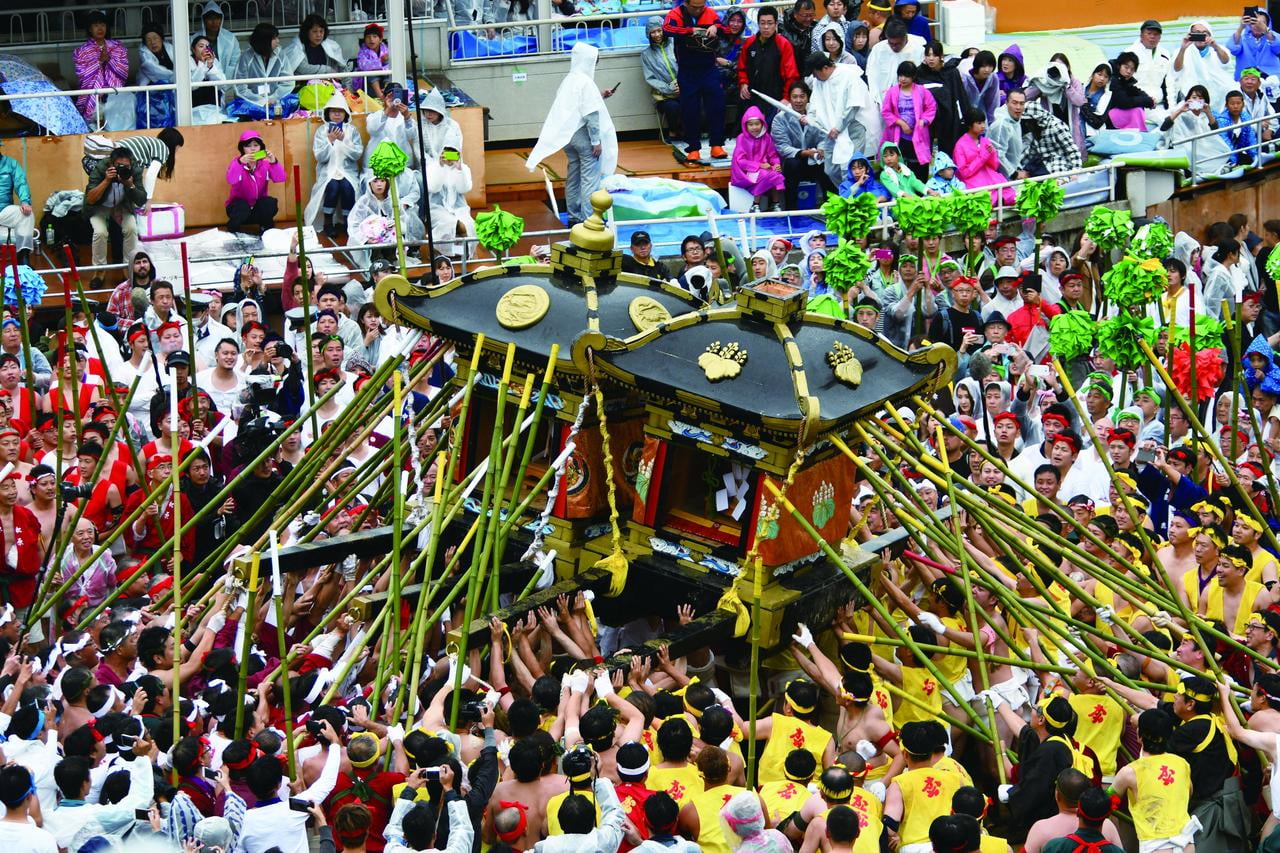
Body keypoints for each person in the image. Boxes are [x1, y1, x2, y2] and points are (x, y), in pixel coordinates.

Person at [527, 43, 617, 227]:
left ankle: (574, 216)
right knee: (589, 179)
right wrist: (596, 141)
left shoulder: (569, 79)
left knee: (574, 177)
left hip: (569, 136)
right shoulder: (586, 82)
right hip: (584, 137)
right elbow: (591, 115)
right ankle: (589, 220)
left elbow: (574, 104)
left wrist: (600, 95)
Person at [664, 0, 728, 164]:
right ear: (686, 4)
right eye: (695, 7)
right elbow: (667, 29)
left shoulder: (710, 13)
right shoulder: (676, 14)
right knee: (689, 110)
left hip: (708, 68)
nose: (699, 10)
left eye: (702, 6)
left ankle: (717, 145)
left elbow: (726, 28)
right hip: (687, 71)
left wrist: (716, 27)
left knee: (717, 106)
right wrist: (689, 30)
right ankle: (693, 148)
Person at [806, 53, 880, 187]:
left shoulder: (849, 76)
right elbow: (814, 103)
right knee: (830, 170)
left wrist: (839, 127)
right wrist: (810, 117)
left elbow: (854, 105)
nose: (814, 77)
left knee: (851, 168)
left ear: (825, 68)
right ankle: (846, 194)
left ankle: (854, 200)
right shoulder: (818, 81)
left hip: (853, 126)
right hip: (829, 129)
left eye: (815, 73)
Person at [304, 93, 365, 238]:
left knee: (347, 186)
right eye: (333, 111)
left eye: (340, 111)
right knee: (332, 186)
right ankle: (327, 222)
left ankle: (347, 222)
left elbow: (357, 154)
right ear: (328, 113)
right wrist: (330, 141)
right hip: (327, 171)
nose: (337, 114)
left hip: (347, 171)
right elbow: (320, 157)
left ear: (345, 113)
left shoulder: (352, 131)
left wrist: (344, 141)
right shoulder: (321, 131)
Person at [84, 147, 148, 283]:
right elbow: (90, 198)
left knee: (131, 229)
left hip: (122, 205)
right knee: (100, 232)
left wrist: (130, 185)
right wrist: (106, 180)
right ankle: (99, 271)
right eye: (119, 166)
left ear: (131, 164)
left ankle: (128, 268)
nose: (123, 169)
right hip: (99, 206)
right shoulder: (101, 169)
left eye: (126, 166)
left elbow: (142, 200)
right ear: (112, 164)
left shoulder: (135, 171)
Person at [771, 81, 835, 207]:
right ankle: (791, 208)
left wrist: (821, 149)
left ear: (807, 97)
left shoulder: (817, 114)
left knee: (827, 162)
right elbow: (782, 147)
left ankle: (832, 206)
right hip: (795, 161)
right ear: (790, 98)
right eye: (795, 97)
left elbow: (823, 137)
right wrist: (803, 153)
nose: (798, 100)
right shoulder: (780, 118)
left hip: (814, 158)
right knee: (791, 164)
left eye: (802, 96)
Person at [736, 5, 798, 120]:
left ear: (775, 24)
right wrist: (743, 82)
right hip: (752, 96)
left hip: (776, 98)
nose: (765, 27)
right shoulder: (749, 43)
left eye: (769, 23)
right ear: (758, 23)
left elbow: (791, 75)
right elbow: (741, 67)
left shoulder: (784, 44)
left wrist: (786, 98)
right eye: (762, 23)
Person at [880, 60, 936, 181]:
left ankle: (920, 193)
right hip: (899, 136)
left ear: (913, 76)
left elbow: (931, 107)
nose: (902, 79)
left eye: (906, 76)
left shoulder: (922, 91)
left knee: (919, 166)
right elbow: (886, 111)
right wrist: (900, 123)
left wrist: (923, 121)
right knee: (898, 165)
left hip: (918, 135)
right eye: (900, 75)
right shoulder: (892, 92)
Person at [72, 10, 128, 125]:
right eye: (96, 25)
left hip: (114, 93)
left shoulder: (117, 47)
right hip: (93, 94)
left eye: (102, 25)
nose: (100, 28)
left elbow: (124, 72)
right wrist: (99, 62)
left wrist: (110, 60)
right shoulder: (82, 51)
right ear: (89, 29)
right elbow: (81, 74)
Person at [1026, 55, 1087, 159]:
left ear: (1067, 67)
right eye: (1055, 66)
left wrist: (1067, 86)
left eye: (1061, 67)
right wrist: (1039, 82)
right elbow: (1026, 97)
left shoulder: (1073, 82)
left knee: (1074, 161)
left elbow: (1080, 102)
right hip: (1051, 131)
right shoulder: (1045, 82)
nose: (1058, 69)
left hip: (1071, 131)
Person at [226, 130, 286, 235]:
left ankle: (266, 230)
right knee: (241, 206)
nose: (253, 148)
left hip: (257, 210)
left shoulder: (265, 164)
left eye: (256, 145)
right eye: (248, 146)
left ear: (261, 148)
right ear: (242, 148)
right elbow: (231, 179)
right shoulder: (237, 163)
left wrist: (274, 162)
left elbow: (280, 178)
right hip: (238, 210)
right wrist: (240, 163)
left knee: (269, 203)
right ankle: (233, 230)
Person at [917, 41, 971, 156]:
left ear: (941, 56)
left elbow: (959, 96)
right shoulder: (919, 72)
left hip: (947, 120)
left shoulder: (951, 72)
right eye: (928, 55)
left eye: (934, 55)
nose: (931, 59)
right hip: (927, 122)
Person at [953, 109, 1016, 204]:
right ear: (970, 125)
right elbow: (964, 173)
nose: (983, 126)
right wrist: (983, 156)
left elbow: (994, 166)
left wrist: (992, 154)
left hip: (992, 179)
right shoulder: (960, 145)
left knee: (1011, 196)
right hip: (974, 183)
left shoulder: (985, 141)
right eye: (979, 123)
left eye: (983, 122)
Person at [233, 24, 294, 119]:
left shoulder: (280, 54)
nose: (278, 41)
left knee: (293, 101)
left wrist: (274, 98)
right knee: (241, 107)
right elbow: (240, 87)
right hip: (252, 102)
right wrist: (261, 101)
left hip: (275, 101)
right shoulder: (246, 57)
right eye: (274, 38)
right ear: (264, 41)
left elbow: (288, 82)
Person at [730, 106, 785, 211]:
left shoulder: (766, 137)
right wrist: (759, 165)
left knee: (776, 174)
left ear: (762, 123)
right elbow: (740, 161)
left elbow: (772, 155)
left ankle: (776, 204)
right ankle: (755, 204)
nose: (754, 127)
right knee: (763, 174)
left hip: (764, 167)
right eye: (751, 124)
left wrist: (776, 164)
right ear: (745, 125)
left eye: (757, 124)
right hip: (745, 171)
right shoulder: (742, 138)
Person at [426, 147, 476, 257]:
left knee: (468, 224)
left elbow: (464, 189)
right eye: (447, 153)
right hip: (437, 208)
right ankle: (444, 254)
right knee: (450, 223)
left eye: (453, 153)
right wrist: (440, 167)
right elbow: (433, 188)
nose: (449, 157)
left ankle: (462, 253)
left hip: (459, 208)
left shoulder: (464, 168)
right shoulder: (431, 168)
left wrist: (459, 169)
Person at [1173, 21, 1234, 108]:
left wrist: (1215, 46)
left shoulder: (1218, 49)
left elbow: (1226, 62)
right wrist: (1183, 49)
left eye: (1204, 33)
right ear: (1190, 35)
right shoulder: (1182, 51)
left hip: (1218, 97)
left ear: (1210, 35)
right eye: (1197, 33)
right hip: (1192, 97)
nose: (1200, 36)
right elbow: (1176, 69)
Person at [865, 18, 925, 105]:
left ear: (905, 37)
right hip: (882, 100)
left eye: (897, 44)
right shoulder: (878, 49)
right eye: (891, 43)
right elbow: (871, 74)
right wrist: (875, 97)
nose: (893, 47)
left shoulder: (918, 50)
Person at [643, 17, 683, 138]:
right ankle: (673, 132)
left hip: (684, 87)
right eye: (653, 32)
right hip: (664, 96)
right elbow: (650, 78)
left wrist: (682, 83)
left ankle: (692, 130)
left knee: (695, 101)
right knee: (673, 107)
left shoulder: (676, 43)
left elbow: (686, 64)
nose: (657, 35)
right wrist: (669, 88)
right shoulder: (646, 54)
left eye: (659, 30)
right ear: (648, 34)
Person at [1126, 19, 1175, 110]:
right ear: (1141, 35)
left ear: (1160, 37)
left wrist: (1171, 108)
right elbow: (1122, 82)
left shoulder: (1165, 55)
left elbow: (1169, 83)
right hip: (1136, 105)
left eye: (1156, 34)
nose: (1152, 37)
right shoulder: (1129, 53)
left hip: (1158, 106)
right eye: (1149, 33)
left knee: (1174, 122)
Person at [136, 24, 176, 129]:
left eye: (155, 38)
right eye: (148, 40)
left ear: (161, 38)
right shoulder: (144, 54)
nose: (153, 42)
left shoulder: (170, 48)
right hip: (152, 94)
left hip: (172, 90)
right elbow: (156, 72)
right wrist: (176, 77)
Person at [0, 141, 34, 267]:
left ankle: (23, 256)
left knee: (26, 215)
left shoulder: (10, 163)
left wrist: (25, 201)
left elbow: (21, 183)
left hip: (3, 210)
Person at [282, 14, 346, 78]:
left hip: (327, 85)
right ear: (306, 32)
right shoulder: (296, 48)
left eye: (321, 31)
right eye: (314, 31)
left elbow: (342, 67)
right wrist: (327, 70)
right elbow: (302, 69)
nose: (319, 35)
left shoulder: (331, 46)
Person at [1107, 52, 1155, 130]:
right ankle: (1136, 133)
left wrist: (1149, 100)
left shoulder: (1124, 79)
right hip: (1107, 117)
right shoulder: (1113, 79)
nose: (1129, 71)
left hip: (1114, 114)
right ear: (1119, 66)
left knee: (1139, 106)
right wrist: (1147, 101)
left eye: (1132, 69)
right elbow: (1123, 102)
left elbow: (1135, 91)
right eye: (1126, 67)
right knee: (1137, 110)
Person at [1229, 8, 1280, 80]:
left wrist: (1266, 31)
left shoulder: (1273, 36)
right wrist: (1241, 28)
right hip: (1246, 81)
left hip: (1271, 81)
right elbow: (1233, 49)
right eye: (1254, 22)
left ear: (1267, 24)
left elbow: (1278, 48)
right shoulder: (1241, 37)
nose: (1257, 26)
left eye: (1261, 23)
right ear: (1249, 24)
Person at [419, 88, 465, 163]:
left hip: (449, 164)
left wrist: (444, 160)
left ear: (440, 111)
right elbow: (419, 151)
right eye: (427, 110)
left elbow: (456, 151)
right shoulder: (421, 126)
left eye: (433, 111)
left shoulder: (452, 126)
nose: (429, 114)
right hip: (428, 166)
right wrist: (431, 165)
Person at [199, 0, 241, 83]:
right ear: (204, 20)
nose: (214, 22)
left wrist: (225, 82)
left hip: (226, 82)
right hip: (202, 82)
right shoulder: (195, 39)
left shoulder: (230, 38)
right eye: (210, 18)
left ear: (221, 19)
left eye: (217, 18)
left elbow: (234, 63)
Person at [189, 34, 228, 114]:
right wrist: (202, 64)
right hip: (194, 109)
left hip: (214, 109)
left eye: (207, 46)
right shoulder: (187, 61)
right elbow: (193, 85)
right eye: (201, 46)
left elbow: (222, 84)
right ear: (193, 49)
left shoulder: (214, 61)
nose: (205, 49)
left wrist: (210, 66)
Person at [959, 49, 999, 124]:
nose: (987, 70)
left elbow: (993, 101)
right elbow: (959, 100)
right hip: (964, 113)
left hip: (980, 110)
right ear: (977, 66)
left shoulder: (993, 78)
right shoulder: (964, 78)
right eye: (983, 66)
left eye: (990, 66)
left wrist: (991, 121)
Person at [355, 23, 391, 97]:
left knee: (388, 69)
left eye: (375, 36)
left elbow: (391, 65)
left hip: (383, 83)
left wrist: (384, 66)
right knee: (371, 72)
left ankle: (387, 90)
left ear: (380, 39)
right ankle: (380, 96)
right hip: (369, 86)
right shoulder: (362, 52)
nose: (371, 39)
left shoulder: (386, 49)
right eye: (368, 37)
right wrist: (380, 61)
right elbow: (363, 66)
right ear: (364, 40)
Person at [782, 0, 819, 70]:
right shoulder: (783, 30)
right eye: (805, 16)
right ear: (795, 14)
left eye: (811, 15)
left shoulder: (816, 27)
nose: (808, 19)